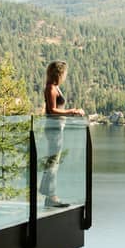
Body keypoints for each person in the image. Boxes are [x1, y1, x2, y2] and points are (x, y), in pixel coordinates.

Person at [41, 60, 84, 208]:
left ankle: (49, 195)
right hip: (53, 129)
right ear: (58, 73)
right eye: (64, 73)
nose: (65, 76)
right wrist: (72, 111)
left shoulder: (55, 88)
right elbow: (52, 110)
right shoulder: (51, 89)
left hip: (57, 128)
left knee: (53, 162)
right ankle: (51, 197)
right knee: (53, 162)